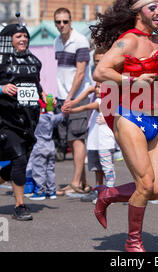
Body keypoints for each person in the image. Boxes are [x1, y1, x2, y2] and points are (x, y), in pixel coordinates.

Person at [90, 0, 158, 252]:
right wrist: (132, 79)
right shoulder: (128, 40)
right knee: (145, 183)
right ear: (138, 13)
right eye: (153, 7)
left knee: (157, 189)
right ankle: (133, 241)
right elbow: (100, 71)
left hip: (153, 118)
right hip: (128, 115)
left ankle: (108, 194)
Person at [0, 15, 46, 221]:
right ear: (8, 39)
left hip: (26, 119)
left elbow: (36, 86)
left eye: (25, 35)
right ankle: (20, 206)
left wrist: (44, 97)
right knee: (18, 159)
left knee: (20, 162)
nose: (24, 39)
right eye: (18, 36)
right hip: (1, 119)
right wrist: (1, 88)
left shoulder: (34, 61)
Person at [62, 48, 117, 203]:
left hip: (106, 134)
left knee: (106, 164)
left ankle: (109, 190)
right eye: (97, 61)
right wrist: (71, 102)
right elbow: (88, 92)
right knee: (96, 164)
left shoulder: (112, 80)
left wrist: (73, 107)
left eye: (102, 60)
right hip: (95, 134)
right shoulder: (98, 81)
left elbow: (92, 106)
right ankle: (99, 189)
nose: (99, 64)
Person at [53, 7, 93, 196]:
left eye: (65, 21)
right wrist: (60, 96)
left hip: (77, 96)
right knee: (70, 139)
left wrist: (70, 98)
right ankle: (83, 183)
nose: (61, 25)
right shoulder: (56, 42)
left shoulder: (80, 41)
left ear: (71, 22)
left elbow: (81, 72)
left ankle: (76, 181)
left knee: (77, 138)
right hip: (64, 96)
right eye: (58, 22)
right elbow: (62, 72)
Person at [27, 97, 64, 201]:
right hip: (50, 146)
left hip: (39, 147)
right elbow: (61, 117)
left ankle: (39, 192)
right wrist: (62, 111)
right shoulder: (50, 117)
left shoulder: (36, 119)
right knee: (50, 170)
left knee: (39, 170)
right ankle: (51, 191)